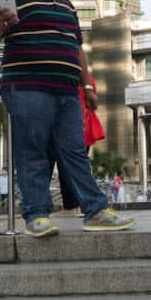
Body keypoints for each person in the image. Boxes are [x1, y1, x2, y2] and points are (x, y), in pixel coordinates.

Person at [0, 0, 135, 237]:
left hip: (67, 91)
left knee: (75, 151)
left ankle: (95, 210)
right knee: (33, 152)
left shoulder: (67, 6)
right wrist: (2, 20)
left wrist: (87, 85)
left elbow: (76, 47)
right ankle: (37, 215)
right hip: (27, 87)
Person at [50, 74, 105, 216]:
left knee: (66, 168)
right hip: (81, 128)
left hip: (74, 127)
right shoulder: (87, 79)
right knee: (74, 167)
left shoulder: (71, 78)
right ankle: (74, 206)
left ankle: (72, 206)